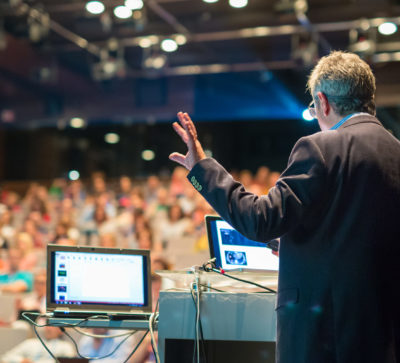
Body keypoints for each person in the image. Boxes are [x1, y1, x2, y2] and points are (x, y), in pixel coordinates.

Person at [169, 51, 400, 363]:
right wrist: (293, 243)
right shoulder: (395, 151)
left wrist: (203, 169)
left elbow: (260, 220)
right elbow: (356, 231)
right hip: (384, 335)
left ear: (323, 102)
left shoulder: (321, 147)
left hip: (323, 338)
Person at [1, 324, 75, 363]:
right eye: (47, 326)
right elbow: (7, 356)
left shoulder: (66, 346)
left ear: (61, 330)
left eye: (53, 326)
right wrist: (21, 360)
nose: (48, 329)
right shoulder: (31, 343)